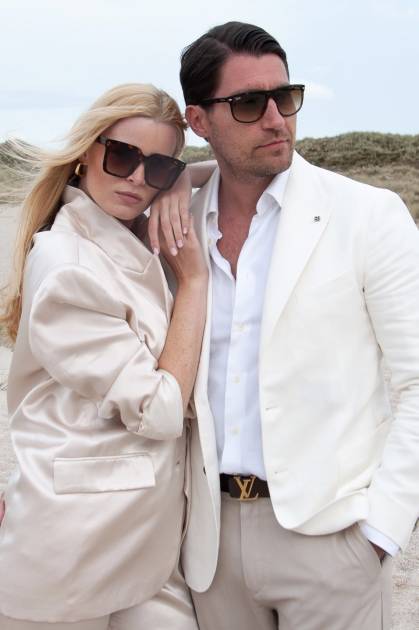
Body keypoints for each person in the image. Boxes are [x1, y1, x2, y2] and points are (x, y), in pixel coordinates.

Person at [169, 21, 419, 630]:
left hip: (332, 542)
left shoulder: (368, 215)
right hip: (209, 545)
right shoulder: (175, 227)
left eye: (285, 97)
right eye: (249, 104)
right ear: (199, 120)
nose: (276, 119)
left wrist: (382, 531)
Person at [0, 82, 211, 628]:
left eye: (158, 166)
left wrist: (181, 179)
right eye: (122, 156)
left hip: (145, 544)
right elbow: (159, 410)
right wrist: (194, 283)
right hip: (70, 550)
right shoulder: (69, 266)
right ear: (85, 154)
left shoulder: (125, 235)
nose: (138, 178)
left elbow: (227, 173)